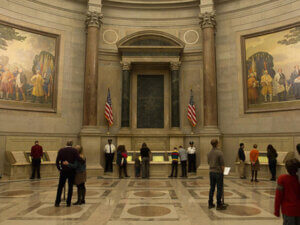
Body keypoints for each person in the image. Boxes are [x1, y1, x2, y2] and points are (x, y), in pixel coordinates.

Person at [55, 140, 83, 207]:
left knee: (60, 187)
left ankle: (57, 202)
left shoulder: (61, 150)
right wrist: (83, 161)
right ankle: (68, 203)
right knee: (70, 187)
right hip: (71, 171)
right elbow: (79, 159)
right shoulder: (74, 150)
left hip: (63, 171)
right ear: (72, 144)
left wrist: (60, 168)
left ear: (66, 143)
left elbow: (57, 161)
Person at [274, 159, 300, 224]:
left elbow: (278, 196)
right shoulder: (298, 179)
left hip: (288, 210)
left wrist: (276, 210)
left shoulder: (282, 179)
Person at [207, 139, 226, 210]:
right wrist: (223, 172)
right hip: (218, 172)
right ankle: (219, 204)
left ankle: (210, 203)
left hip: (211, 172)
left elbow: (208, 162)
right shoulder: (219, 153)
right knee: (219, 188)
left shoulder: (209, 153)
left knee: (212, 188)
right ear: (217, 144)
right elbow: (222, 164)